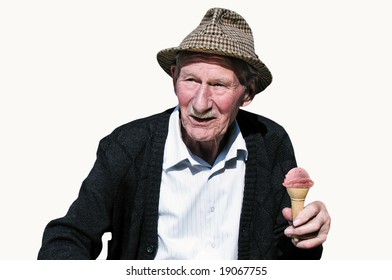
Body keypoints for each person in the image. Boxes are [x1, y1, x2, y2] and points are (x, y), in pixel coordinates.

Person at [38, 7, 330, 260]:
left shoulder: (271, 142)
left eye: (218, 85)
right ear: (174, 76)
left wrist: (306, 238)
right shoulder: (128, 145)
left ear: (248, 92)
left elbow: (287, 259)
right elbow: (67, 237)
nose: (200, 104)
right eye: (190, 80)